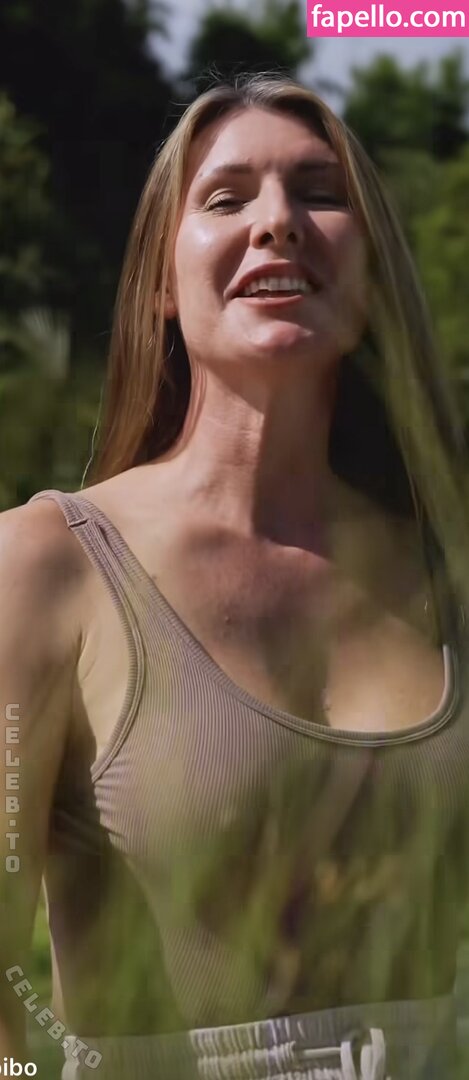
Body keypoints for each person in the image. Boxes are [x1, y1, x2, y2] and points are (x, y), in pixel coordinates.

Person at [1, 71, 469, 1080]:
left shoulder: (449, 573)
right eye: (225, 198)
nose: (278, 221)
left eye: (320, 193)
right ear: (160, 286)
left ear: (373, 272)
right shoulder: (44, 567)